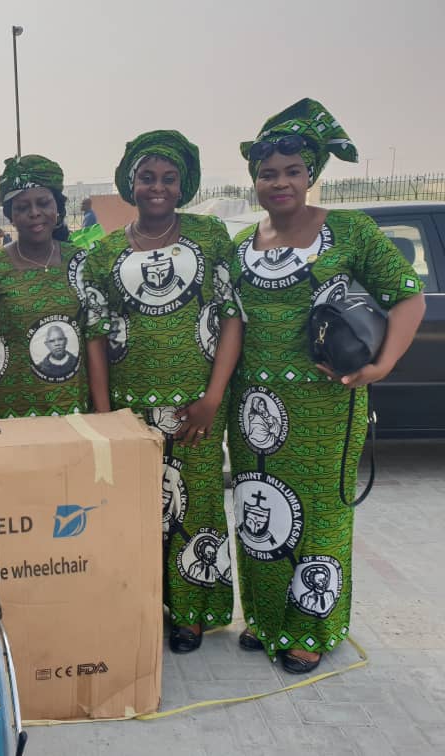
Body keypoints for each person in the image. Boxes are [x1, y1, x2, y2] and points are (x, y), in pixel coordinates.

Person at [228, 98, 424, 673]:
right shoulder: (244, 242)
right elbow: (235, 321)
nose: (280, 182)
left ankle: (310, 627)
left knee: (321, 517)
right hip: (253, 410)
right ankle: (265, 620)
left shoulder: (349, 231)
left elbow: (407, 295)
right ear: (255, 180)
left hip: (325, 406)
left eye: (292, 171)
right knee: (259, 511)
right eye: (269, 173)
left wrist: (383, 365)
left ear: (311, 174)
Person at [83, 130, 243, 654]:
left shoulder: (210, 235)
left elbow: (230, 317)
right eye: (146, 177)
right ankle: (145, 604)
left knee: (195, 508)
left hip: (195, 402)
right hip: (130, 407)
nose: (157, 187)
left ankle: (192, 616)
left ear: (184, 185)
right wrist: (106, 417)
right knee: (138, 508)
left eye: (168, 178)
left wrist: (213, 397)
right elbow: (96, 337)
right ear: (130, 182)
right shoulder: (103, 251)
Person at [0, 155, 103, 417]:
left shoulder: (83, 263)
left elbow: (94, 340)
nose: (34, 212)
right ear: (11, 216)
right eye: (22, 207)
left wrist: (103, 414)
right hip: (9, 418)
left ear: (58, 208)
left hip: (75, 413)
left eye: (43, 203)